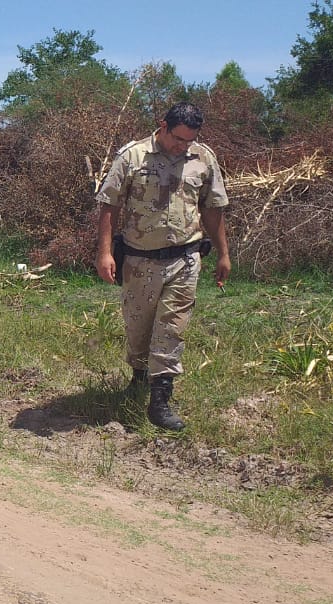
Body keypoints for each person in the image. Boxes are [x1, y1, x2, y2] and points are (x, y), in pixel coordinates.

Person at [95, 102, 231, 431]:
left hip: (185, 257)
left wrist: (224, 253)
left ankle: (160, 400)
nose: (181, 146)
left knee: (171, 327)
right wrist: (104, 252)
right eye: (177, 139)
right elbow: (109, 204)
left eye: (188, 140)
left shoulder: (202, 158)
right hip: (141, 260)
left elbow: (213, 209)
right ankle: (139, 376)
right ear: (163, 125)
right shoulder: (133, 156)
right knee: (138, 327)